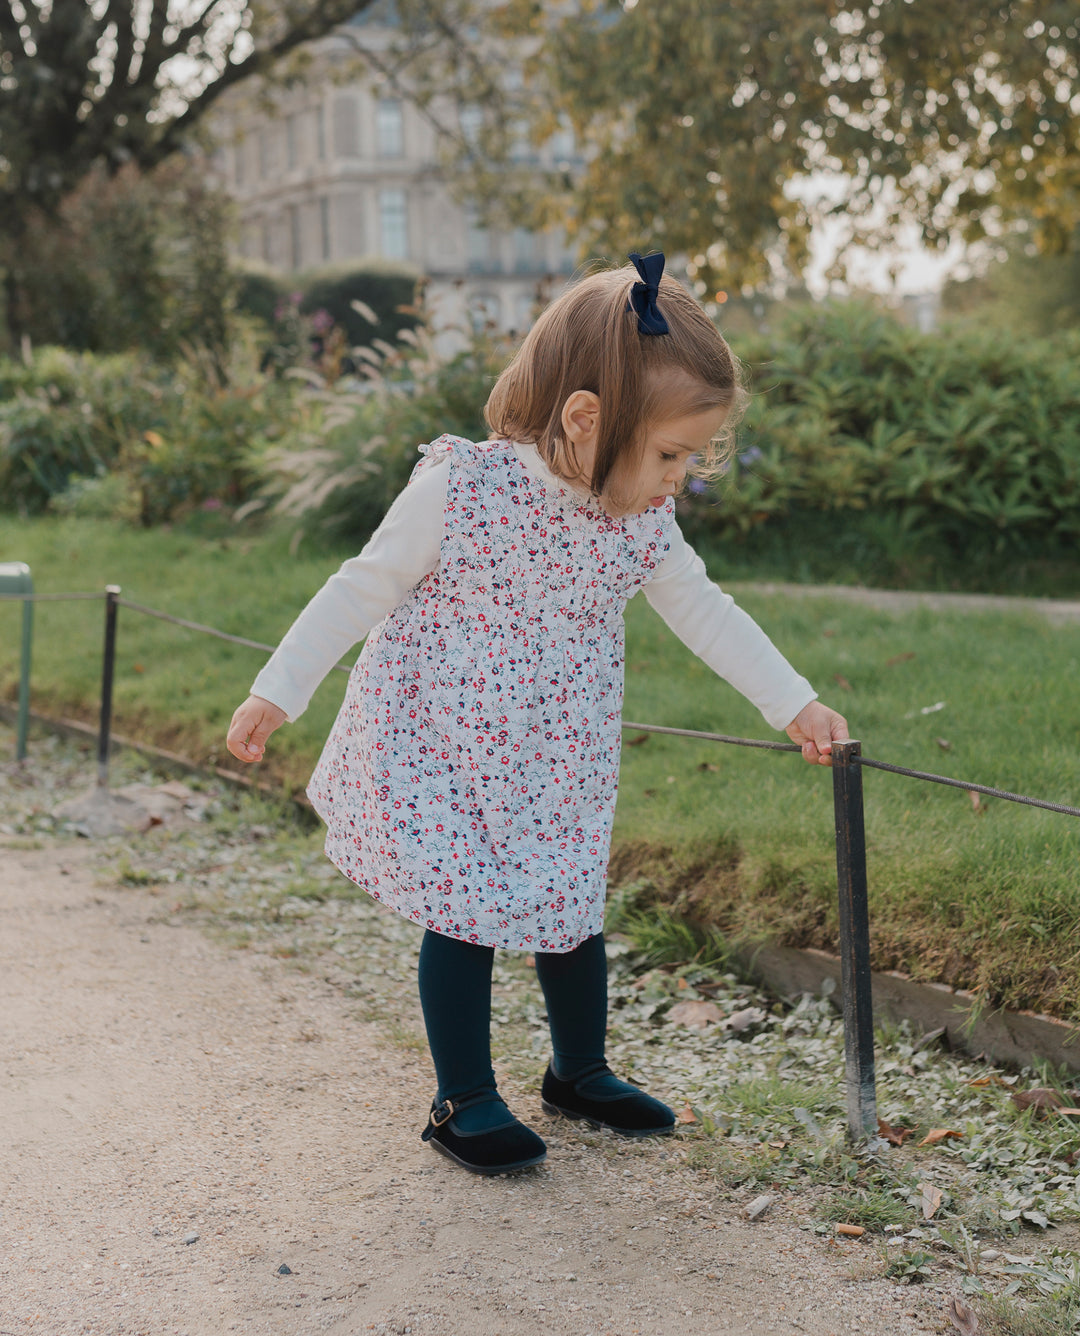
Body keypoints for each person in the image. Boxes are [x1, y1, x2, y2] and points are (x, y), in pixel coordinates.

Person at [227, 253, 848, 1177]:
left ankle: (579, 1070)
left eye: (688, 458)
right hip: (443, 740)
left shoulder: (640, 521)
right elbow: (361, 588)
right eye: (670, 454)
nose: (679, 480)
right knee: (464, 909)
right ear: (586, 418)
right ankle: (463, 1097)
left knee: (569, 900)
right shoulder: (462, 489)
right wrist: (280, 687)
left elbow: (708, 613)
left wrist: (794, 700)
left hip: (560, 753)